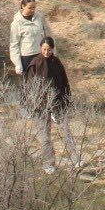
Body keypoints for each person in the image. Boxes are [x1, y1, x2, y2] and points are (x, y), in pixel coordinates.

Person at [24, 37, 74, 168]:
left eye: (49, 50)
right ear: (41, 48)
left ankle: (75, 159)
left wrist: (67, 100)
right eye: (44, 49)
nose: (46, 52)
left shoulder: (56, 62)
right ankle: (49, 164)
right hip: (40, 105)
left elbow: (64, 82)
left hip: (57, 102)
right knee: (44, 136)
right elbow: (29, 88)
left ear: (53, 49)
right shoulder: (35, 63)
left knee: (66, 131)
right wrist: (32, 105)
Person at [8, 0, 50, 74]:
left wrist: (51, 51)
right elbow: (14, 44)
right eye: (30, 8)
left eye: (34, 7)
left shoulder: (40, 18)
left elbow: (48, 34)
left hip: (40, 54)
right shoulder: (17, 23)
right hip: (26, 58)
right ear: (23, 6)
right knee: (29, 83)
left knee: (43, 80)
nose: (32, 10)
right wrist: (17, 64)